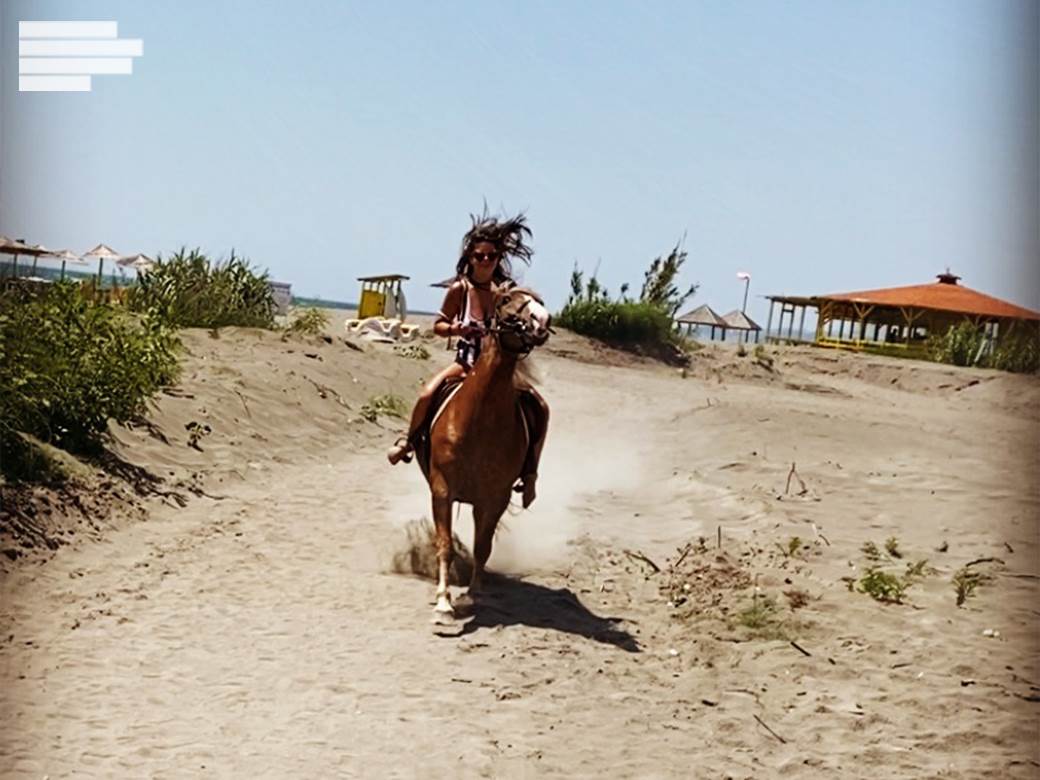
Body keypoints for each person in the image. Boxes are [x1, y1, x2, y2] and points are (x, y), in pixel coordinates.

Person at [386, 211, 547, 506]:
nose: (486, 261)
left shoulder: (507, 292)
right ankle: (408, 442)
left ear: (498, 258)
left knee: (540, 407)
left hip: (500, 367)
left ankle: (531, 475)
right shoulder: (460, 289)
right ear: (470, 257)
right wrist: (455, 328)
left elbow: (528, 309)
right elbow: (437, 326)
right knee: (426, 394)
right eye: (479, 256)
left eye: (491, 256)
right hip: (465, 362)